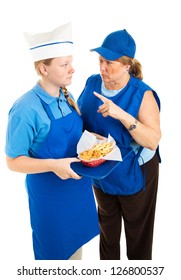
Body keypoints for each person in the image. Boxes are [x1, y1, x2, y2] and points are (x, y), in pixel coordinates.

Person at [5, 22, 99, 260]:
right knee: (54, 257)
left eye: (71, 63)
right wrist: (54, 165)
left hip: (77, 190)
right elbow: (13, 161)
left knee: (76, 255)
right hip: (51, 198)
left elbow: (73, 138)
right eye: (64, 64)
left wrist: (92, 140)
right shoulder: (25, 108)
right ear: (44, 69)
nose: (72, 70)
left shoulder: (67, 96)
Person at [77, 29, 161, 260]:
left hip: (134, 173)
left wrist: (122, 115)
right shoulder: (92, 83)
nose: (102, 68)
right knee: (107, 232)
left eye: (109, 62)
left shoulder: (142, 95)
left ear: (126, 65)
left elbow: (153, 140)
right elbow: (82, 118)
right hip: (102, 173)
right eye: (100, 61)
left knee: (138, 237)